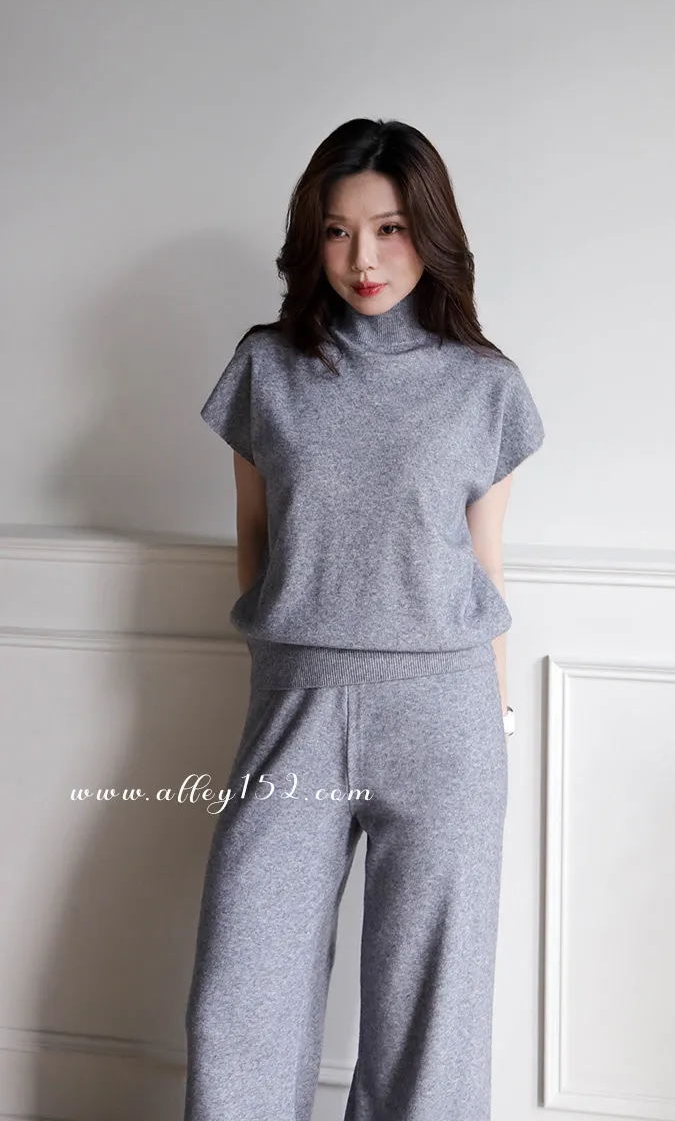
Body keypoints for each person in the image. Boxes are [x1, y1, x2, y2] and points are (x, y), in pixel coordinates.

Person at [184, 117, 545, 1121]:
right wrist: (285, 657)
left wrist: (497, 714)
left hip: (444, 715)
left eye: (388, 228)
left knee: (431, 1021)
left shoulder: (484, 386)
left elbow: (484, 566)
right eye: (338, 232)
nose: (363, 259)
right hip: (295, 708)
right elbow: (254, 535)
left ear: (430, 231)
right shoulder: (267, 369)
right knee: (239, 1003)